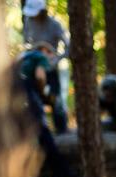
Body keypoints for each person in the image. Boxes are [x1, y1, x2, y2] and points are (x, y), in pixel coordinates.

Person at [17, 41, 75, 177]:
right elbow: (40, 76)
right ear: (44, 50)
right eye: (50, 54)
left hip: (14, 96)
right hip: (28, 94)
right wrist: (43, 93)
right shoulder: (39, 57)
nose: (50, 58)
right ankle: (62, 173)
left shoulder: (22, 57)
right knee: (44, 133)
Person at [22, 0, 68, 134]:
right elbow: (26, 42)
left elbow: (68, 46)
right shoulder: (29, 22)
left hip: (52, 69)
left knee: (56, 100)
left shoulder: (55, 25)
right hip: (35, 67)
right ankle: (39, 131)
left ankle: (62, 131)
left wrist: (56, 59)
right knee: (34, 99)